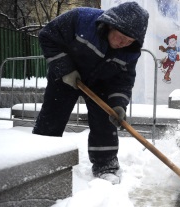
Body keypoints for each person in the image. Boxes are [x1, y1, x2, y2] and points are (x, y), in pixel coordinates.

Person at [32, 2, 149, 183]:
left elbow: (124, 80)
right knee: (53, 115)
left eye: (129, 41)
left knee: (106, 119)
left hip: (101, 82)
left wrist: (118, 104)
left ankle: (105, 166)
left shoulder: (130, 52)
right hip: (67, 74)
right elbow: (48, 36)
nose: (122, 44)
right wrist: (65, 69)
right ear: (111, 25)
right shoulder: (80, 19)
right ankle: (38, 158)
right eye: (120, 37)